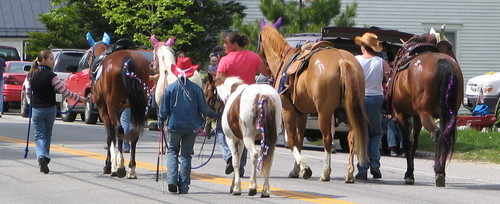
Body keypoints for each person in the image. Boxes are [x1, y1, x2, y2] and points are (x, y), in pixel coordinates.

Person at [159, 56, 219, 194]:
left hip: (174, 126)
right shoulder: (197, 89)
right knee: (186, 155)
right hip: (192, 127)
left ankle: (172, 180)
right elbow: (204, 109)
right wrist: (217, 116)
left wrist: (161, 120)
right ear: (190, 72)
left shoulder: (170, 89)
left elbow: (164, 110)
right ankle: (184, 186)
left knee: (172, 151)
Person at [215, 31, 271, 175]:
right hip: (251, 99)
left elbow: (218, 80)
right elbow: (266, 73)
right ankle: (240, 166)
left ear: (234, 44)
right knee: (247, 133)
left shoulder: (225, 60)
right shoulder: (254, 57)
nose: (224, 46)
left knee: (221, 130)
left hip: (231, 100)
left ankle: (229, 156)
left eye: (226, 43)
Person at [26, 50, 86, 174]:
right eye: (51, 59)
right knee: (47, 134)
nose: (53, 61)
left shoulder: (31, 75)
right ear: (43, 60)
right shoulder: (52, 76)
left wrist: (30, 102)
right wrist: (79, 98)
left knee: (39, 135)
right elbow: (64, 91)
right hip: (50, 109)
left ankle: (42, 156)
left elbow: (27, 91)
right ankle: (44, 157)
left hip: (37, 109)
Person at [353, 33, 390, 180]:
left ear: (363, 47)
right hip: (376, 99)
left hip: (360, 98)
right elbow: (389, 80)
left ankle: (362, 168)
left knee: (362, 134)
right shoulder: (381, 62)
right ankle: (375, 165)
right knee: (375, 133)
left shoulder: (355, 60)